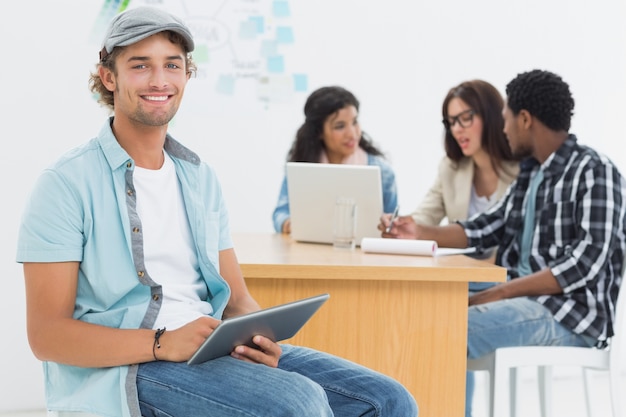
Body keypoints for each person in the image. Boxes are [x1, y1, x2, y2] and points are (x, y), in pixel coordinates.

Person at [16, 7, 418, 417]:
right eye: (140, 65)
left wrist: (261, 337)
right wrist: (161, 342)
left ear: (186, 75)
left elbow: (237, 298)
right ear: (109, 77)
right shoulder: (66, 184)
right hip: (132, 367)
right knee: (298, 404)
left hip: (213, 347)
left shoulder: (199, 177)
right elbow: (47, 335)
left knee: (389, 400)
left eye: (172, 65)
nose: (159, 80)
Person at [380, 69, 626, 417]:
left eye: (507, 119)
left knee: (445, 328)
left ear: (525, 119)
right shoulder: (531, 173)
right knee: (423, 302)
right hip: (521, 292)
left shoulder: (595, 170)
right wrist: (420, 231)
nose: (504, 128)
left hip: (568, 314)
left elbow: (585, 264)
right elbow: (486, 226)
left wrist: (497, 293)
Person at [272, 86, 398, 234]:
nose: (352, 133)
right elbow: (280, 214)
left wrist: (389, 226)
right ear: (319, 132)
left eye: (355, 122)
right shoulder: (302, 168)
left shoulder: (382, 173)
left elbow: (393, 226)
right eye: (340, 126)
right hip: (310, 252)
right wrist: (293, 225)